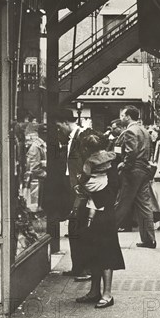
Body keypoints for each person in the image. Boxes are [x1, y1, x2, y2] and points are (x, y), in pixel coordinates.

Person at [74, 132, 125, 309]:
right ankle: (97, 292)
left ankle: (106, 293)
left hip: (100, 211)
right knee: (95, 252)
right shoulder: (113, 163)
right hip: (103, 211)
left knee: (104, 252)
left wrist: (85, 188)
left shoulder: (90, 166)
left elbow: (84, 185)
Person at [55, 108, 91, 282]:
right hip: (75, 190)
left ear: (65, 122)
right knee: (74, 228)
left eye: (59, 127)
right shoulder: (72, 139)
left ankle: (84, 268)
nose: (59, 131)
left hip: (82, 192)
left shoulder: (82, 137)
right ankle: (78, 266)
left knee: (79, 228)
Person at [114, 106, 157, 249]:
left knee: (122, 203)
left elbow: (130, 153)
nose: (121, 118)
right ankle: (149, 239)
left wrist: (123, 165)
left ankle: (107, 235)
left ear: (128, 117)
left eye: (122, 115)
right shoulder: (144, 131)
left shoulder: (129, 132)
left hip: (133, 171)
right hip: (144, 170)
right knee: (144, 205)